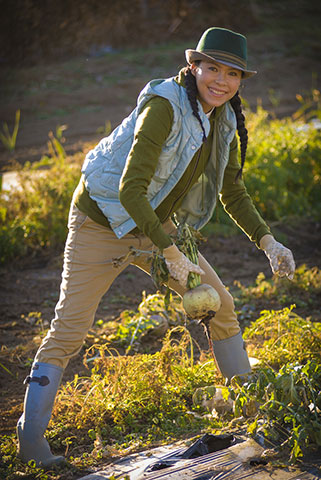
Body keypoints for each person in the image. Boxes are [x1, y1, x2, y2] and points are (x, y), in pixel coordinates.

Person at [17, 27, 295, 467]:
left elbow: (232, 191)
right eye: (212, 68)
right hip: (102, 220)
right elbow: (130, 189)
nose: (220, 80)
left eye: (232, 74)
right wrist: (172, 255)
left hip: (154, 226)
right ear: (194, 67)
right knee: (70, 329)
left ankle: (256, 420)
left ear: (242, 80)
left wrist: (268, 241)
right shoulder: (164, 105)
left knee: (221, 307)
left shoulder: (221, 116)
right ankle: (31, 445)